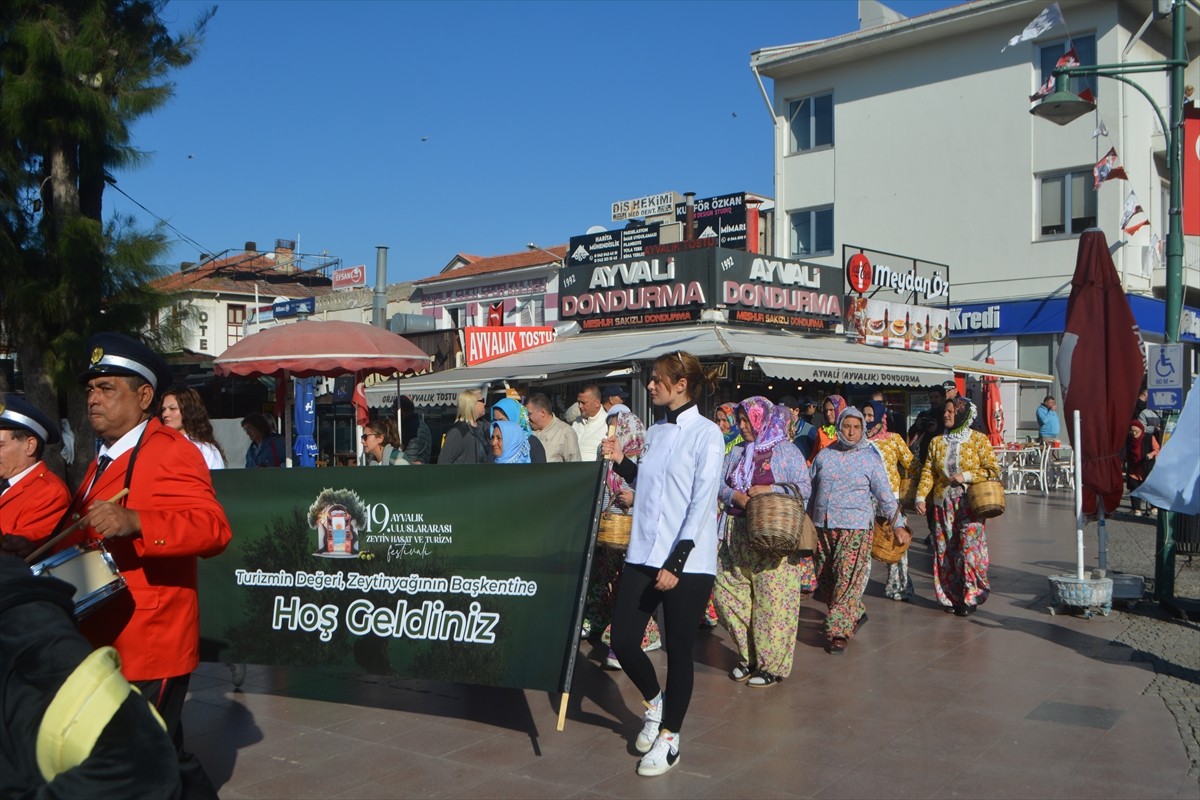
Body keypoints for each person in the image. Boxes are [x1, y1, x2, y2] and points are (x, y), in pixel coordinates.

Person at [65, 332, 232, 797]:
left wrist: (138, 521)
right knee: (159, 752)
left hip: (150, 638)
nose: (93, 400)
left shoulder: (170, 450)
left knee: (141, 758)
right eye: (90, 391)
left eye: (107, 389)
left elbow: (213, 528)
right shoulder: (103, 456)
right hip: (108, 633)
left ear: (143, 397)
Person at [600, 350, 723, 777]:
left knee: (679, 651)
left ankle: (671, 736)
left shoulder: (707, 435)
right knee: (624, 639)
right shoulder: (654, 431)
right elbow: (649, 485)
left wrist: (678, 559)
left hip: (686, 560)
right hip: (643, 552)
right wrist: (622, 462)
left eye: (657, 380)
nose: (651, 385)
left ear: (681, 384)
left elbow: (701, 501)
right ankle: (656, 702)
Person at [0, 557, 183, 799]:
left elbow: (143, 764)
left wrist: (135, 522)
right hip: (88, 631)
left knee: (153, 746)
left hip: (142, 637)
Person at [713, 397, 813, 688]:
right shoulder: (737, 452)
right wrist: (735, 496)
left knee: (774, 601)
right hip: (735, 532)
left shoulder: (786, 451)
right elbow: (718, 483)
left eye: (747, 421)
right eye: (740, 420)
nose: (742, 426)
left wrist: (769, 488)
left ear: (762, 420)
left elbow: (804, 488)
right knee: (728, 594)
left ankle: (771, 666)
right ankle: (750, 656)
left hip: (774, 535)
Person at [809, 406, 908, 654]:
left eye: (856, 427)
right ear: (839, 427)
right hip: (824, 525)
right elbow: (811, 491)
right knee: (826, 579)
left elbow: (885, 495)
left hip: (855, 527)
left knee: (847, 578)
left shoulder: (869, 458)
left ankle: (838, 632)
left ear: (863, 429)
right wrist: (804, 518)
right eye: (847, 426)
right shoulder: (825, 455)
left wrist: (898, 525)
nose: (851, 432)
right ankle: (857, 611)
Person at [916, 397, 1000, 616]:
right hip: (942, 503)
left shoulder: (978, 440)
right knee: (945, 551)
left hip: (969, 503)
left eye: (952, 412)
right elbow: (928, 471)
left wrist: (967, 476)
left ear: (962, 414)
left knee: (970, 549)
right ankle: (952, 596)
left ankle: (972, 595)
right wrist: (920, 497)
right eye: (946, 411)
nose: (946, 415)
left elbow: (992, 469)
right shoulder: (936, 442)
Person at [0, 394, 71, 559]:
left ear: (29, 446)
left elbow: (16, 554)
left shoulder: (50, 492)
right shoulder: (6, 484)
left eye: (0, 445)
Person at [864, 400, 916, 602]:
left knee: (896, 543)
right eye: (865, 415)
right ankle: (858, 587)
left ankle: (898, 586)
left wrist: (914, 489)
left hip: (890, 500)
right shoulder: (859, 441)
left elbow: (912, 464)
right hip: (866, 500)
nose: (867, 419)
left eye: (870, 415)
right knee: (865, 544)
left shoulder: (893, 440)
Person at [161, 386, 225, 470]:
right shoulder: (158, 445)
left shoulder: (206, 450)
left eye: (172, 408)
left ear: (189, 410)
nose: (165, 414)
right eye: (163, 409)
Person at [437, 389, 492, 464]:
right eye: (482, 400)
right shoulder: (458, 432)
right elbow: (443, 462)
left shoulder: (485, 427)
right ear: (472, 404)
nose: (484, 403)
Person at [525, 392, 580, 463]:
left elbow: (575, 465)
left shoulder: (565, 432)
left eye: (529, 414)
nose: (527, 417)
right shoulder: (526, 431)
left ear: (542, 413)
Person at [491, 397, 546, 463]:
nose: (499, 424)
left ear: (515, 418)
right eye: (495, 420)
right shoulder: (495, 442)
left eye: (502, 420)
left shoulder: (531, 444)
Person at [1125, 420, 1159, 517]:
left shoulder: (1149, 437)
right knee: (1133, 486)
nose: (1134, 433)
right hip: (1134, 468)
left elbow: (1156, 449)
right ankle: (1136, 509)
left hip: (1147, 466)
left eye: (1137, 431)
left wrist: (1151, 454)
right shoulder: (1129, 439)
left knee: (1150, 487)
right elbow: (1125, 452)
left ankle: (1153, 507)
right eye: (1132, 431)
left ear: (1141, 430)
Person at [572, 385, 607, 461]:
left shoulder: (608, 424)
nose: (580, 406)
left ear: (597, 403)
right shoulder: (576, 422)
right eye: (578, 402)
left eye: (583, 403)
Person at [810, 394, 845, 461]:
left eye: (831, 410)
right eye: (826, 410)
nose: (828, 414)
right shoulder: (821, 431)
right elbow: (814, 456)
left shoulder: (849, 431)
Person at [398, 395, 432, 464]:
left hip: (411, 471)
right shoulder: (422, 424)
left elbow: (411, 457)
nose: (393, 412)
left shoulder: (410, 427)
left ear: (402, 410)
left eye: (394, 408)